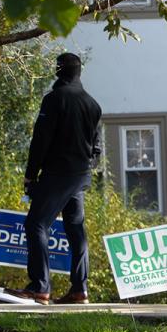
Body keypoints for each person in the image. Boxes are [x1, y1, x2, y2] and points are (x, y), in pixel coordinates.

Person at [16, 52, 102, 304]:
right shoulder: (92, 104)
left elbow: (41, 140)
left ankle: (40, 286)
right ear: (79, 73)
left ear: (58, 71)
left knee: (36, 225)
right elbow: (96, 148)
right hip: (79, 175)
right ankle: (79, 289)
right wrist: (85, 167)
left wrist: (31, 175)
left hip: (57, 174)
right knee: (75, 229)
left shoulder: (54, 100)